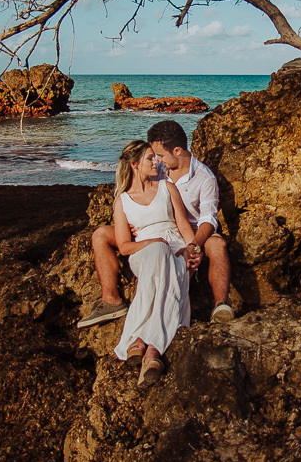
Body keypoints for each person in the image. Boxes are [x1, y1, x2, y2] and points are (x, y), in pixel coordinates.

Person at [78, 119, 234, 329]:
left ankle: (220, 305)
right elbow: (137, 186)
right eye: (154, 156)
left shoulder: (204, 178)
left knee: (217, 245)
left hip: (191, 230)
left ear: (177, 150)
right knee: (101, 235)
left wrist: (195, 245)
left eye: (160, 155)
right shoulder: (158, 168)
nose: (157, 160)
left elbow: (208, 219)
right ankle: (111, 301)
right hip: (152, 227)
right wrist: (135, 219)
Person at [110, 139, 201, 387]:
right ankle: (152, 346)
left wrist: (194, 248)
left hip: (175, 247)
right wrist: (152, 243)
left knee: (177, 265)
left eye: (154, 157)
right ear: (135, 164)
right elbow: (124, 246)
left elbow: (183, 225)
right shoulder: (123, 202)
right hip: (144, 253)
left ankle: (144, 346)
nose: (156, 162)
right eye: (150, 158)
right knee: (159, 250)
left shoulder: (166, 188)